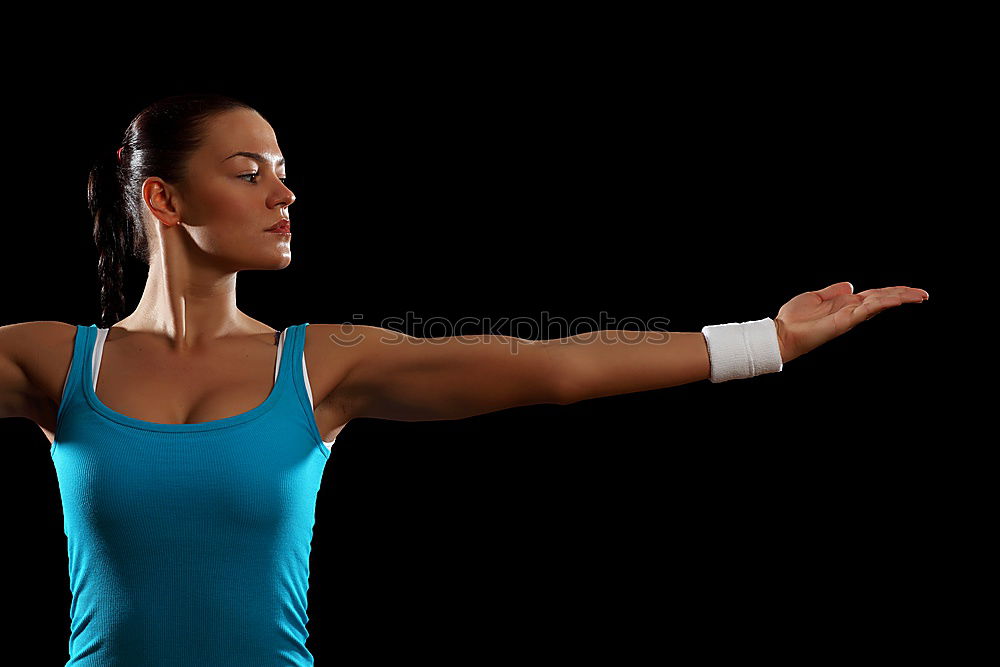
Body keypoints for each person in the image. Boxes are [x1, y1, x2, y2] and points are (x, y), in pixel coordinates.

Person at [0, 92, 930, 666]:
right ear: (163, 197)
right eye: (249, 173)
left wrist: (762, 339)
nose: (286, 195)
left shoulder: (319, 364)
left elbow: (554, 365)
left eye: (283, 172)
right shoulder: (53, 362)